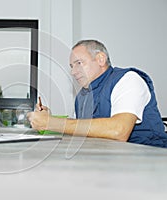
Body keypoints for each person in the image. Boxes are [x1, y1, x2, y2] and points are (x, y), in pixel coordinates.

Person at [27, 39, 167, 148]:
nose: (73, 72)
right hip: (110, 159)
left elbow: (119, 131)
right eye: (71, 66)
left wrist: (52, 123)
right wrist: (49, 120)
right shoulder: (82, 96)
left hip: (148, 159)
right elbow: (80, 129)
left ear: (101, 59)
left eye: (79, 63)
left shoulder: (128, 80)